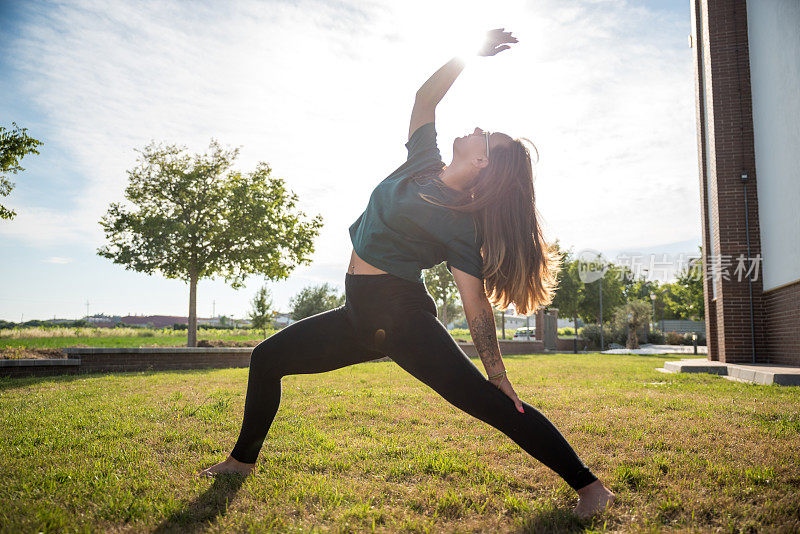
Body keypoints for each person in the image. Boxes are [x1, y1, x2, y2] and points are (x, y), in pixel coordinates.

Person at [200, 28, 615, 519]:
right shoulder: (423, 162)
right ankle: (241, 462)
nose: (477, 127)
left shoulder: (459, 222)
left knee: (489, 404)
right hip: (360, 315)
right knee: (267, 360)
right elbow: (425, 98)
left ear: (481, 162)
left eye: (485, 135)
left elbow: (474, 302)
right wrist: (470, 53)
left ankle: (592, 489)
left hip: (402, 322)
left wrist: (497, 372)